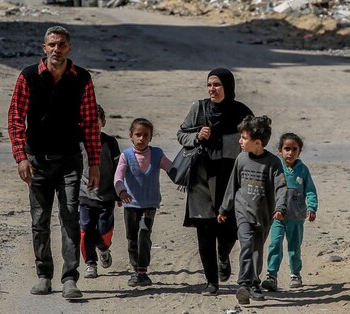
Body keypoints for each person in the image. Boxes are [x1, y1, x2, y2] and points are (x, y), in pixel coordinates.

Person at [7, 25, 101, 299]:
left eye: (61, 45)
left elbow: (90, 125)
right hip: (37, 160)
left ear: (69, 48)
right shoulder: (28, 77)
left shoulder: (81, 78)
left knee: (71, 216)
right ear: (44, 48)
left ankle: (70, 278)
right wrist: (21, 158)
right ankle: (44, 275)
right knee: (40, 220)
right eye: (52, 45)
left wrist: (94, 163)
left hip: (70, 161)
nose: (56, 49)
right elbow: (15, 119)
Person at [176, 68, 253, 296]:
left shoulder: (241, 112)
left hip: (231, 178)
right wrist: (197, 136)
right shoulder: (198, 108)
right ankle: (212, 281)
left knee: (229, 229)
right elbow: (181, 134)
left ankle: (223, 255)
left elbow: (255, 137)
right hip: (201, 177)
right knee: (205, 230)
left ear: (228, 87)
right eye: (209, 84)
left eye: (217, 85)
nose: (212, 89)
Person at [217, 115, 287, 305]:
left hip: (264, 215)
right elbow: (233, 185)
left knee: (257, 250)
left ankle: (255, 283)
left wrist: (280, 208)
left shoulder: (273, 163)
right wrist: (224, 208)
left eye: (244, 138)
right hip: (243, 212)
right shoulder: (241, 159)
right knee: (246, 245)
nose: (240, 141)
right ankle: (244, 284)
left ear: (257, 142)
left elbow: (281, 187)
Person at [114, 118, 172, 287]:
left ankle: (142, 271)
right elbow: (118, 176)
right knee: (132, 238)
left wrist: (186, 176)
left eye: (145, 135)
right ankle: (135, 269)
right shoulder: (126, 155)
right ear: (131, 136)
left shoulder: (157, 154)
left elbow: (172, 168)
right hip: (130, 205)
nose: (141, 139)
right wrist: (121, 191)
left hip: (149, 204)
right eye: (138, 135)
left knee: (144, 233)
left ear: (151, 137)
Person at [262, 133, 318, 292]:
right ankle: (271, 275)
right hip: (277, 217)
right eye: (287, 149)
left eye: (294, 149)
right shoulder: (276, 167)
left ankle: (295, 274)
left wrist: (312, 208)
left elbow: (311, 191)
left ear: (299, 152)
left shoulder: (302, 170)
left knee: (294, 247)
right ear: (280, 150)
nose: (290, 153)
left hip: (296, 217)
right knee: (275, 244)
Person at [79, 105, 121, 279]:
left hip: (107, 195)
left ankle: (103, 249)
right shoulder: (78, 142)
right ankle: (90, 263)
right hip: (84, 194)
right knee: (86, 228)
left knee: (103, 229)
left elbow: (119, 167)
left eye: (95, 122)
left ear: (103, 122)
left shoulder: (110, 142)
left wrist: (120, 191)